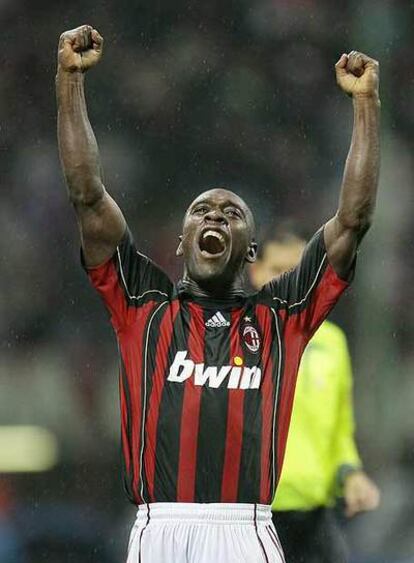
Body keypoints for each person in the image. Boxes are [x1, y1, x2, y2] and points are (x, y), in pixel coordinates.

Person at [56, 24, 380, 563]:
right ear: (181, 244)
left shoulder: (281, 315)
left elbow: (353, 222)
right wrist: (69, 80)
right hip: (158, 528)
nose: (215, 216)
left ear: (249, 251)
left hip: (246, 529)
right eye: (202, 210)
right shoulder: (143, 304)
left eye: (233, 214)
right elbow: (88, 198)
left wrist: (366, 104)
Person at [250, 229, 381, 563]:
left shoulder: (332, 342)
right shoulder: (238, 339)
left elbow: (339, 428)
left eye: (297, 271)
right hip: (254, 514)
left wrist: (350, 473)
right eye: (278, 269)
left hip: (315, 514)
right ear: (255, 271)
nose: (288, 282)